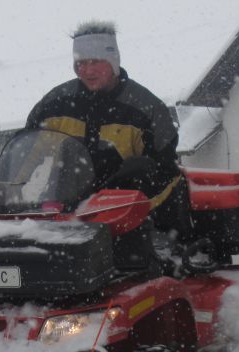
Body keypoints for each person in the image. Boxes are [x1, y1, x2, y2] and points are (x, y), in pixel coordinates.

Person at [25, 21, 191, 243]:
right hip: (65, 215)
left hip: (130, 217)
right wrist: (6, 184)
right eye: (81, 63)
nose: (88, 70)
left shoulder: (146, 110)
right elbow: (28, 151)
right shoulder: (55, 104)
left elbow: (165, 173)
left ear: (113, 62)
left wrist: (130, 206)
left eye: (96, 62)